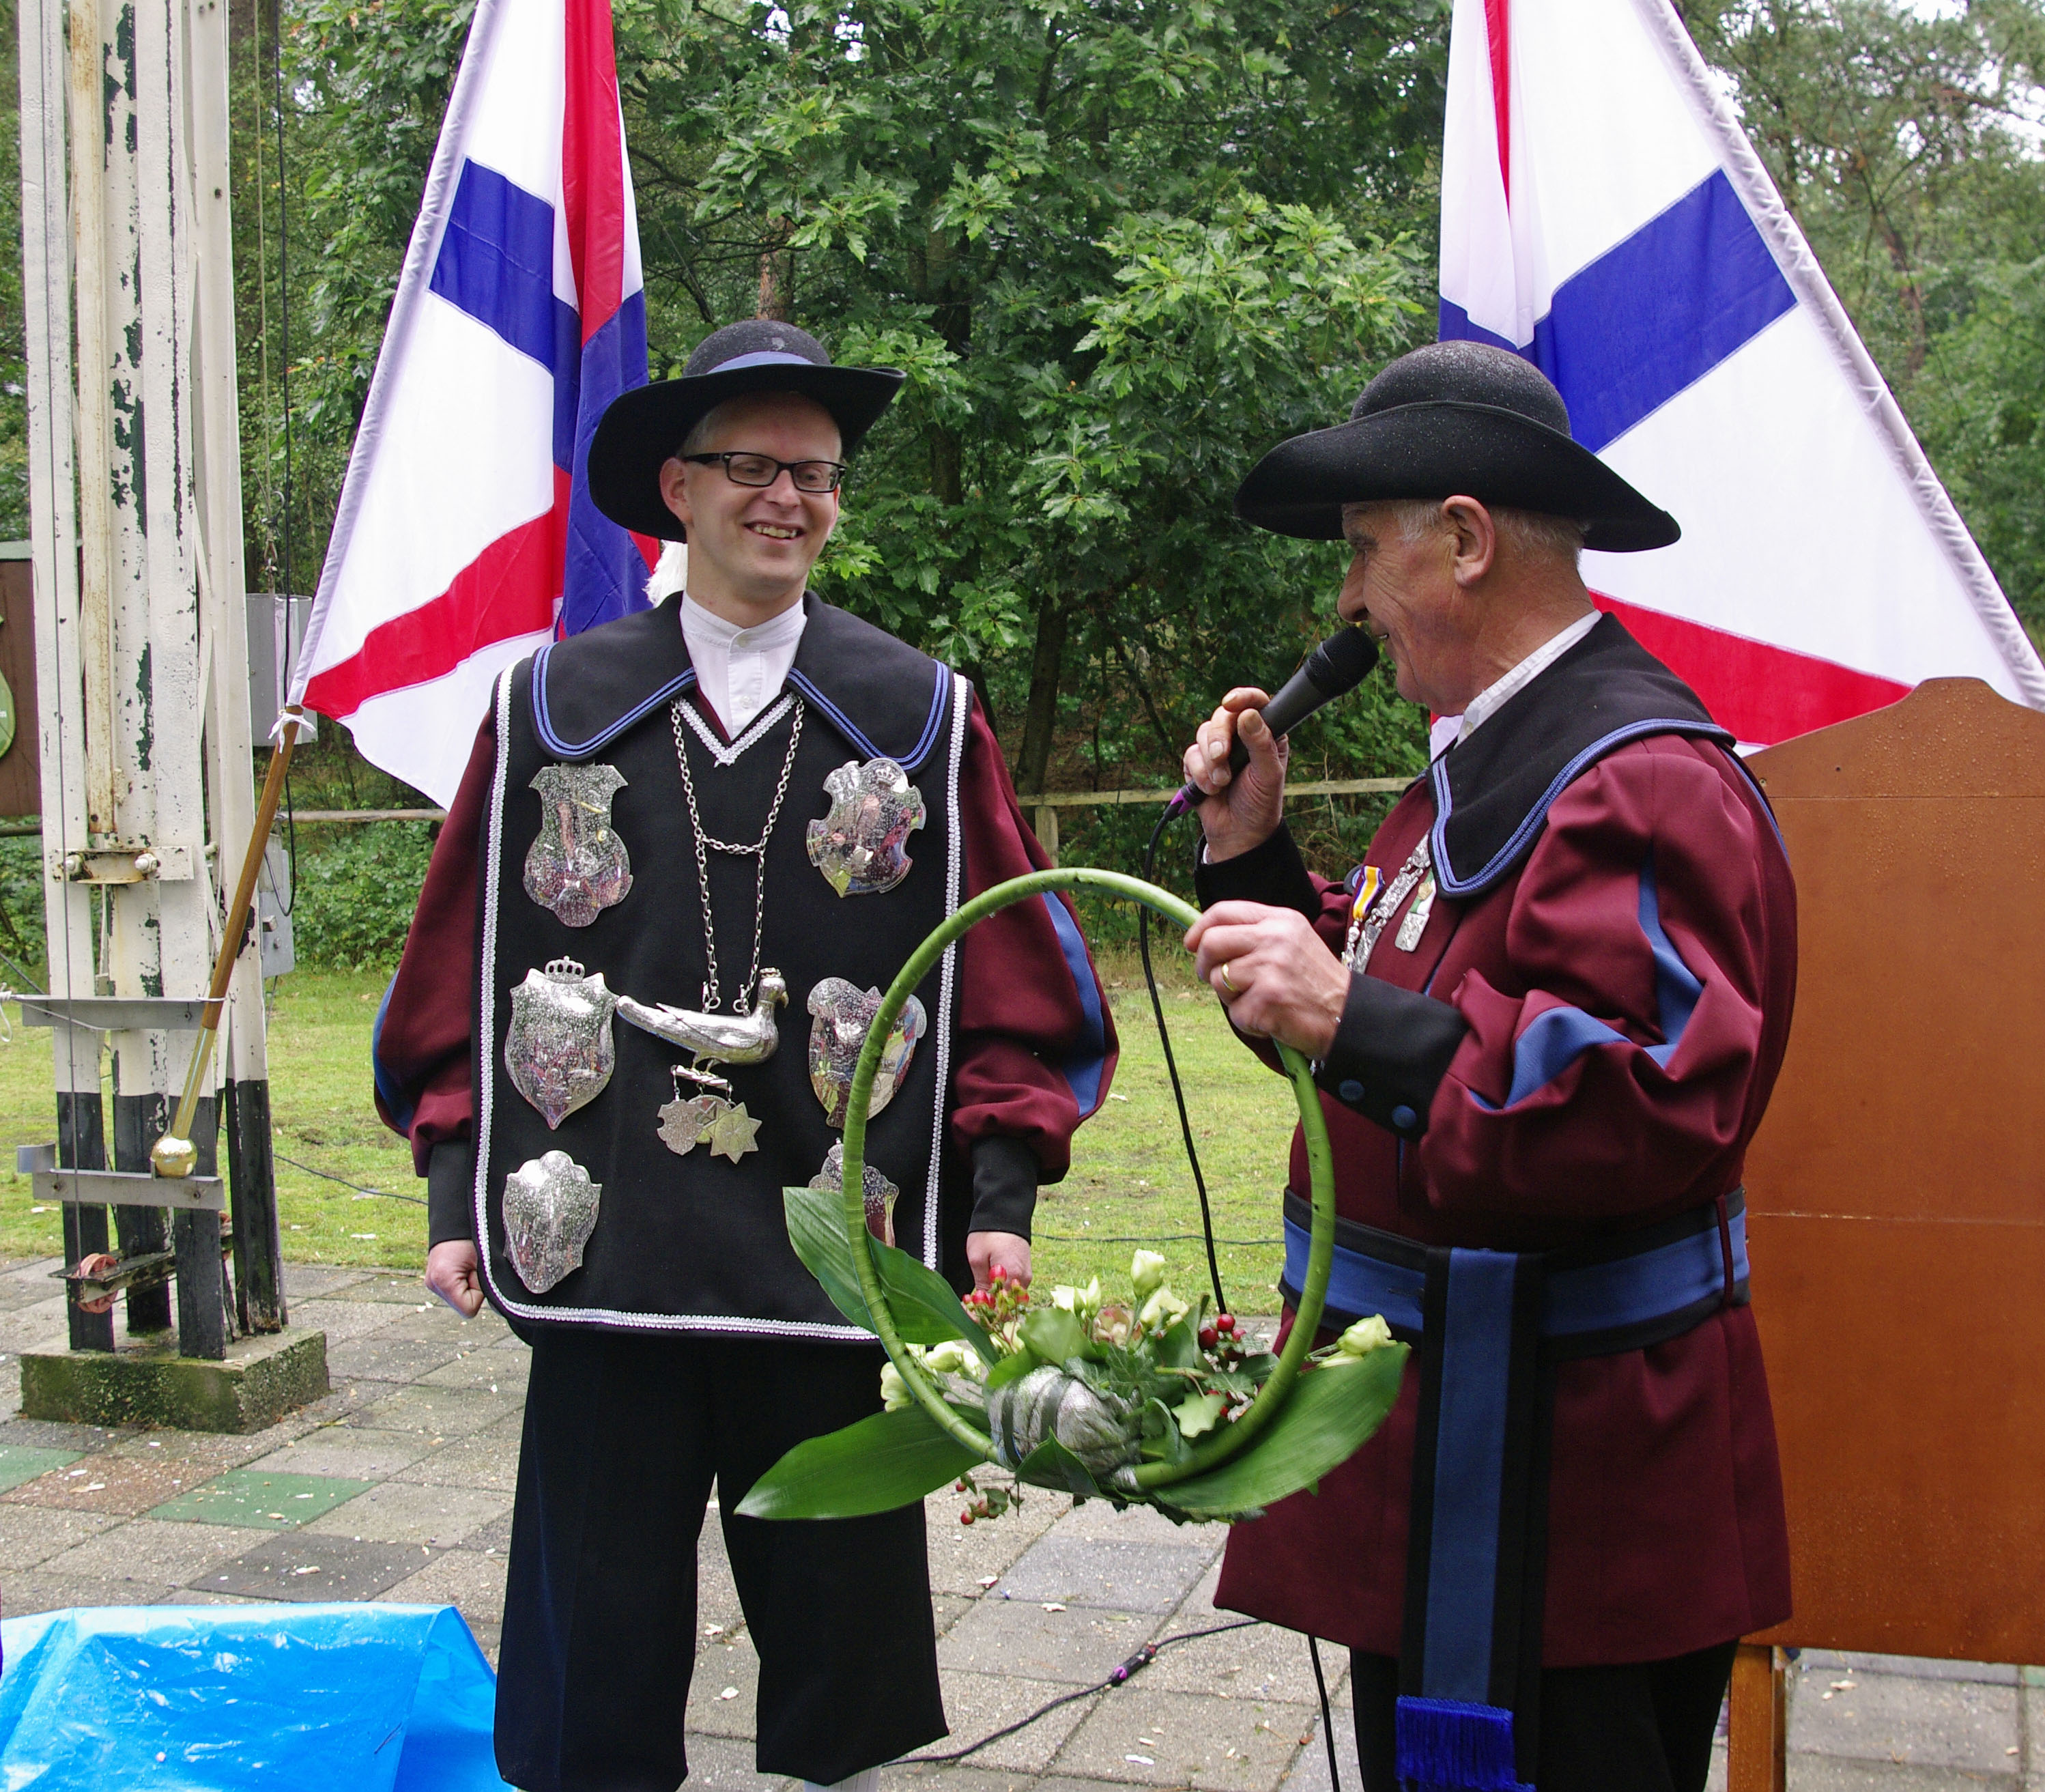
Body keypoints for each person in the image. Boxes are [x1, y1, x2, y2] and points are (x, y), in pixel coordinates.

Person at [373, 318, 1117, 1792]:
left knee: (843, 1662)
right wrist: (458, 1185)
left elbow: (1011, 978)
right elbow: (462, 963)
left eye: (816, 475)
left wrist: (999, 1197)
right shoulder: (551, 707)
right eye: (752, 468)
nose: (788, 499)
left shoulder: (917, 713)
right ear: (679, 487)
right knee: (593, 1667)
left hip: (832, 1248)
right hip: (610, 1252)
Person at [1177, 341, 1794, 1792]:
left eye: (1359, 549)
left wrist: (1350, 1016)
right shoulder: (1489, 761)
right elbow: (1402, 1003)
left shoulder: (1639, 776)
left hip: (1566, 1510)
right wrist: (1254, 860)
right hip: (1466, 1462)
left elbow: (1640, 1099)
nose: (1344, 600)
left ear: (1461, 540)